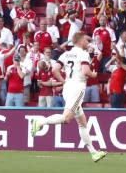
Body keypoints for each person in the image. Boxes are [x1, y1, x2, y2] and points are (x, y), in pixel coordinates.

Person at [29, 32, 108, 162]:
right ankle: (40, 122)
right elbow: (86, 72)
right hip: (77, 88)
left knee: (82, 122)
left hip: (68, 87)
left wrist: (64, 81)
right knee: (66, 118)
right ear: (80, 40)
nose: (87, 43)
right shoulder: (82, 54)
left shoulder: (65, 54)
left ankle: (94, 152)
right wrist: (93, 74)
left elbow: (55, 69)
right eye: (86, 40)